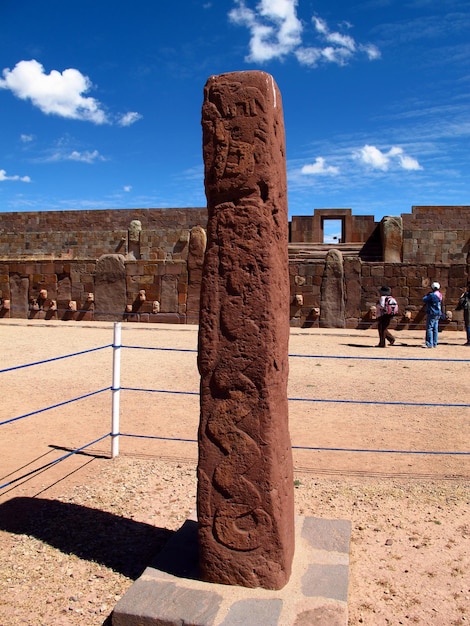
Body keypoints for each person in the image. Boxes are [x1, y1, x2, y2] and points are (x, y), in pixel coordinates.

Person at [422, 282, 442, 348]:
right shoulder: (439, 295)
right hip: (438, 313)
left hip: (432, 313)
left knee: (429, 328)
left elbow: (424, 299)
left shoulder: (432, 295)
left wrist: (428, 294)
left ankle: (429, 343)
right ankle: (434, 343)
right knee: (435, 328)